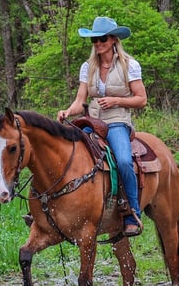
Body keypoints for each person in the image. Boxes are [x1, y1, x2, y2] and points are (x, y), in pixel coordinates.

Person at [57, 16, 148, 237]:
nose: (98, 43)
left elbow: (141, 99)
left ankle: (132, 212)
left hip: (117, 122)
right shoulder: (88, 67)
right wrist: (68, 111)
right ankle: (55, 207)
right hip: (92, 121)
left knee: (125, 161)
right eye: (94, 40)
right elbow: (81, 100)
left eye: (103, 39)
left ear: (114, 39)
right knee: (65, 154)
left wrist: (117, 101)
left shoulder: (129, 65)